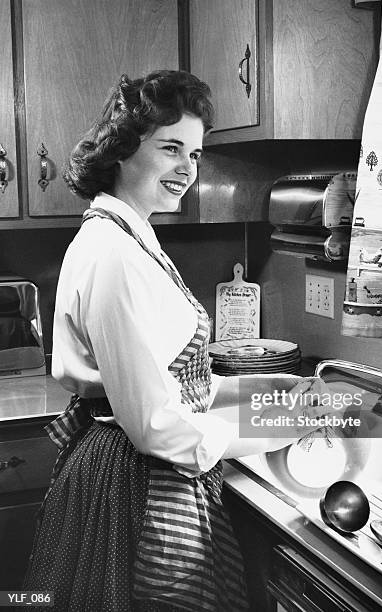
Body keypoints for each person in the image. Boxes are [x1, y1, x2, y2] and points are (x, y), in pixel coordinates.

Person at [24, 70, 332, 611]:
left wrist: (264, 389)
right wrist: (285, 423)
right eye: (171, 148)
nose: (186, 169)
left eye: (194, 154)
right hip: (140, 488)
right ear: (121, 150)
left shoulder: (129, 235)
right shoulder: (114, 255)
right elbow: (157, 427)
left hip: (130, 467)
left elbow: (174, 384)